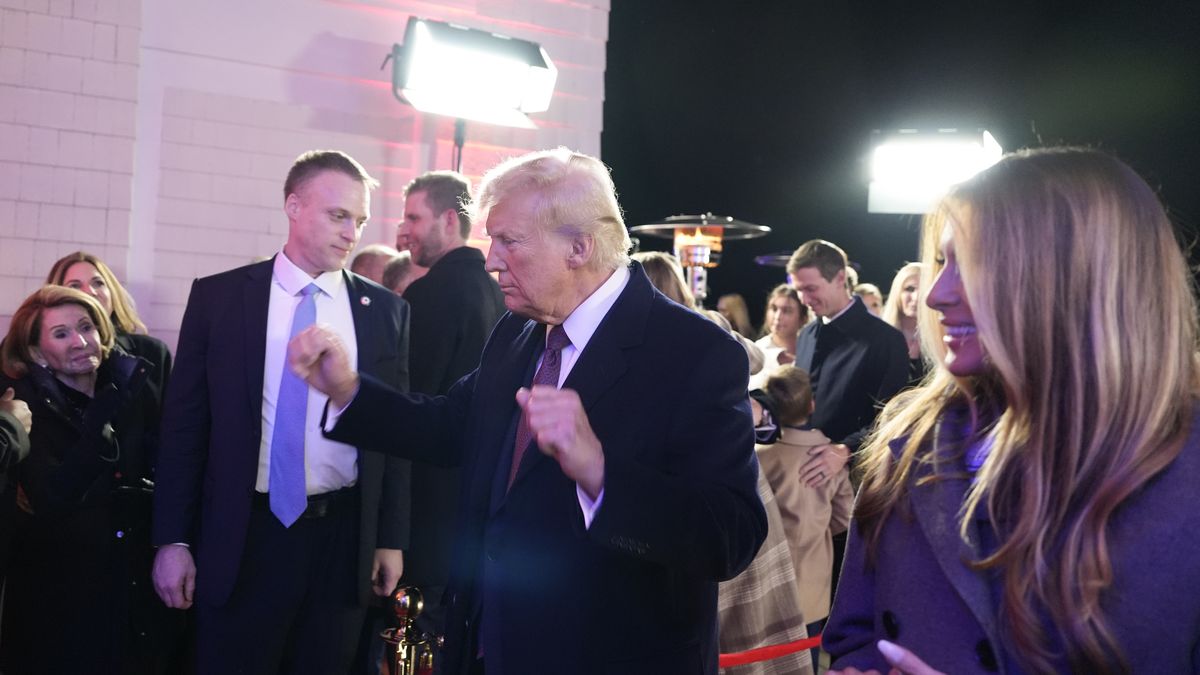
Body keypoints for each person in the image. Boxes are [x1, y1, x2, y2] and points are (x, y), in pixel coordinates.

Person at [290, 147, 767, 675]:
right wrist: (347, 390)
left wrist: (600, 474)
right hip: (487, 646)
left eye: (508, 241)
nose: (491, 259)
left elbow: (731, 536)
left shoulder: (695, 352)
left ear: (579, 247)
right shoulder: (517, 332)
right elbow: (449, 424)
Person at [824, 148, 1200, 674]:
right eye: (942, 261)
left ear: (1079, 278)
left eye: (976, 263)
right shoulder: (913, 436)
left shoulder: (1182, 469)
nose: (936, 295)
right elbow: (854, 632)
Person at [150, 150, 412, 675]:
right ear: (294, 205)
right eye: (338, 215)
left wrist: (390, 538)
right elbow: (184, 429)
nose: (351, 232)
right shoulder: (220, 298)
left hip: (341, 538)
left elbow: (396, 433)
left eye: (359, 220)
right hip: (245, 533)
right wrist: (172, 540)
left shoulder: (386, 311)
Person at [0, 286, 185, 673]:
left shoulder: (132, 388)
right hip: (56, 598)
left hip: (131, 587)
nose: (81, 342)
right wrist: (97, 430)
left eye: (87, 327)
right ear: (36, 353)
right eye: (61, 333)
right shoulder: (25, 409)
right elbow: (51, 498)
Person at [394, 170, 505, 633]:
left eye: (413, 217)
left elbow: (412, 399)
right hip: (477, 493)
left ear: (446, 219)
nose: (404, 231)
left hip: (429, 503)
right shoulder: (497, 287)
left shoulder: (432, 291)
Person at [755, 366, 853, 666]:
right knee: (805, 659)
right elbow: (845, 516)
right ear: (812, 405)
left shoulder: (760, 457)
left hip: (768, 579)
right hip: (814, 582)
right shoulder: (830, 458)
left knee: (765, 658)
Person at [788, 240, 908, 484]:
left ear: (840, 278)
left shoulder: (886, 340)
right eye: (799, 290)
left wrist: (846, 450)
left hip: (855, 476)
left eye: (811, 289)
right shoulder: (806, 335)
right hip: (803, 474)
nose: (803, 299)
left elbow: (892, 417)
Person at [46, 251, 173, 410]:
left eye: (98, 283)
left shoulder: (152, 352)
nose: (91, 291)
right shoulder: (35, 353)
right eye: (75, 286)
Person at [749, 284, 808, 391]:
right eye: (774, 309)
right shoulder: (757, 350)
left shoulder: (810, 350)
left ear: (804, 318)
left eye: (787, 311)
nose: (777, 317)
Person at [880, 263, 925, 385]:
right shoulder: (879, 339)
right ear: (897, 293)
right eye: (909, 289)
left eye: (925, 289)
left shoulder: (942, 341)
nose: (916, 297)